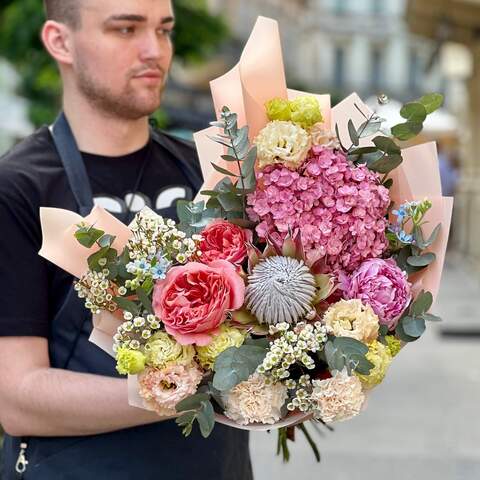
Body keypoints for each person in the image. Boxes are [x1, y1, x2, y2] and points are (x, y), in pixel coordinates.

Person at [0, 1, 253, 479]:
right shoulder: (19, 188)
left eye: (164, 29)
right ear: (60, 41)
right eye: (126, 29)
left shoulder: (211, 173)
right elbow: (18, 398)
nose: (154, 50)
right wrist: (196, 389)